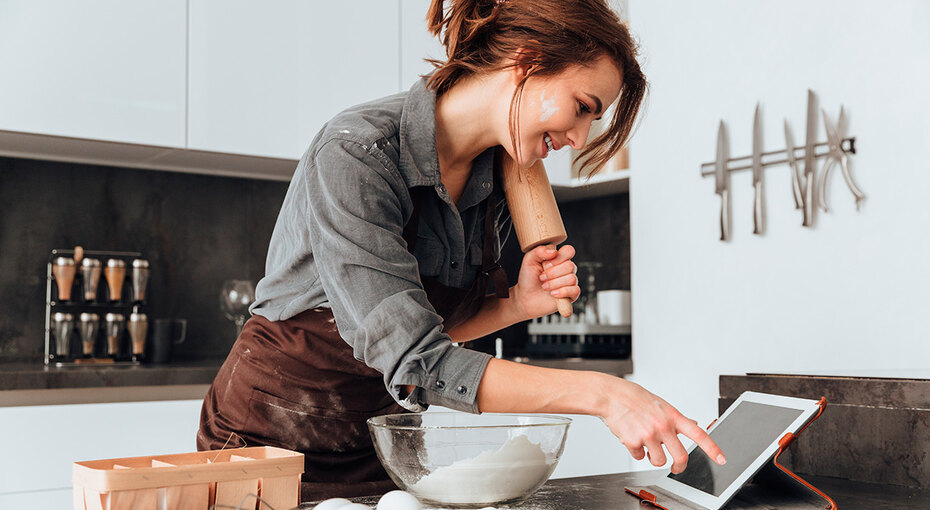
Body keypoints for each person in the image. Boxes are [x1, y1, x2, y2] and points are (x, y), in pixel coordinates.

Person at [197, 0, 725, 501]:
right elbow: (417, 363)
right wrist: (606, 395)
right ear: (527, 61)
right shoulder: (356, 153)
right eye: (582, 107)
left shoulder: (495, 175)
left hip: (380, 440)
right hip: (267, 435)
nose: (580, 137)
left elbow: (427, 334)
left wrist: (515, 305)